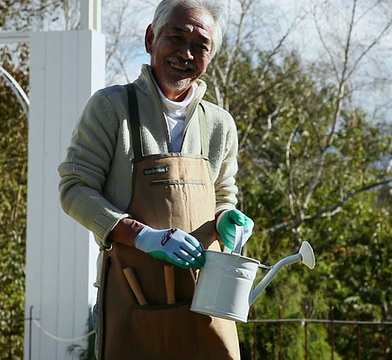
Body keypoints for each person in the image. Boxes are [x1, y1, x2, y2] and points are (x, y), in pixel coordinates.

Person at [58, 0, 254, 358]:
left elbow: (224, 194)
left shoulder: (219, 124)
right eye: (175, 38)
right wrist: (142, 235)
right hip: (134, 298)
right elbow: (74, 189)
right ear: (150, 39)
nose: (186, 53)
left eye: (200, 46)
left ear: (210, 56)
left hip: (207, 301)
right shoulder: (111, 108)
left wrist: (228, 218)